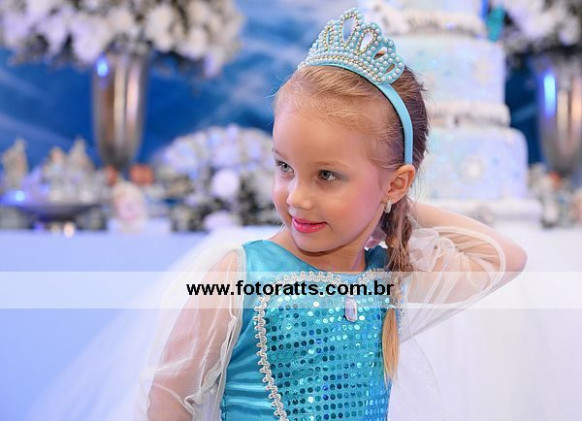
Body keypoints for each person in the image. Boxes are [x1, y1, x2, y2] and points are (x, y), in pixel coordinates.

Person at [135, 8, 527, 421]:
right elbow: (169, 397)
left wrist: (394, 207)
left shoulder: (388, 280)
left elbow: (503, 259)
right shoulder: (238, 276)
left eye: (326, 175)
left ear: (396, 183)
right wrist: (377, 199)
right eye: (285, 167)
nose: (297, 198)